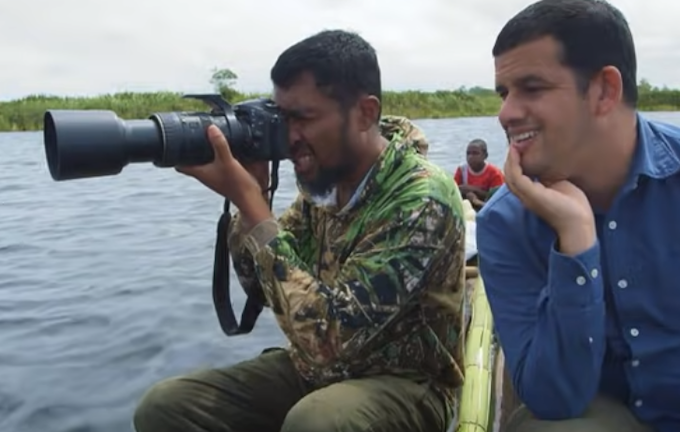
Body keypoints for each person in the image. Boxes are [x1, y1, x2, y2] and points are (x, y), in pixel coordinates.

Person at [133, 29, 467, 432]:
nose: (289, 138)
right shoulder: (326, 187)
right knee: (167, 405)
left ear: (365, 113)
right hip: (317, 372)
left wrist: (254, 208)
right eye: (281, 117)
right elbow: (259, 287)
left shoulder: (421, 196)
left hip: (408, 384)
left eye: (303, 118)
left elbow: (330, 339)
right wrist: (251, 198)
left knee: (316, 421)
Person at [476, 0, 680, 431]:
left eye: (531, 88)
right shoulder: (504, 222)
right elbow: (553, 398)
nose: (505, 113)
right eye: (504, 92)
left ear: (605, 91)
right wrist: (576, 240)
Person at [453, 138, 504, 209]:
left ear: (485, 156)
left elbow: (498, 200)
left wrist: (474, 191)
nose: (470, 157)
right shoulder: (462, 170)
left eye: (475, 153)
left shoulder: (494, 173)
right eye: (468, 153)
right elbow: (453, 192)